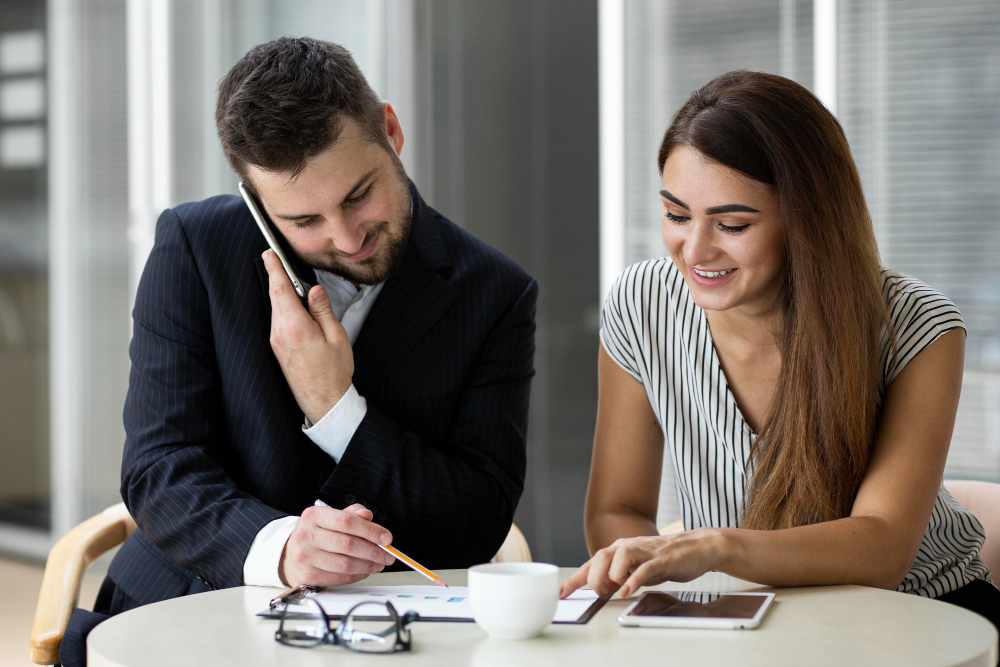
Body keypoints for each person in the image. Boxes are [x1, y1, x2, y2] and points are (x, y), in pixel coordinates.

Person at [60, 37, 537, 666]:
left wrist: (337, 407)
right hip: (182, 612)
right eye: (304, 221)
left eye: (359, 195)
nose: (347, 237)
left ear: (390, 131)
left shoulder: (494, 292)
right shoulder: (195, 249)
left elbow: (478, 519)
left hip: (393, 633)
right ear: (258, 202)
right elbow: (160, 469)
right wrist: (280, 547)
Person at [560, 71, 1000, 634]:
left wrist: (717, 549)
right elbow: (614, 509)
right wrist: (657, 578)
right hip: (746, 618)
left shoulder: (918, 325)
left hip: (923, 613)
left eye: (733, 224)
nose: (695, 249)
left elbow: (884, 548)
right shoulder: (642, 304)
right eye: (676, 215)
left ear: (807, 219)